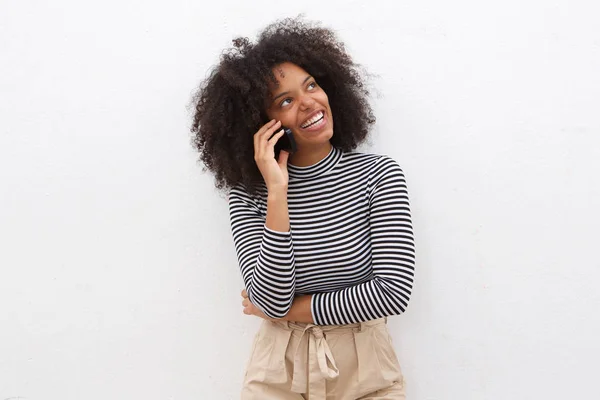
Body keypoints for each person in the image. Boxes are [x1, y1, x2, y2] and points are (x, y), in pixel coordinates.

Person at [191, 17, 415, 400]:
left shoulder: (377, 175)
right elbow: (271, 297)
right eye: (286, 100)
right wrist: (278, 193)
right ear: (261, 124)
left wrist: (289, 312)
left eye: (311, 85)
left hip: (366, 369)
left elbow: (392, 292)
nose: (310, 102)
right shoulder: (250, 195)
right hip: (278, 371)